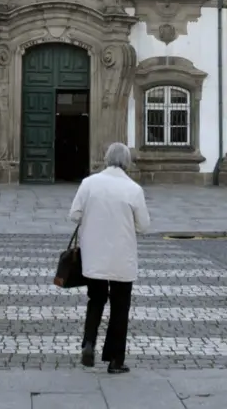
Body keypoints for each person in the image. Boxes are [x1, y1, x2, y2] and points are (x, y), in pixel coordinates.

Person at [67, 141, 151, 374]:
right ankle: (115, 360)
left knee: (96, 301)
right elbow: (144, 226)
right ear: (127, 162)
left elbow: (74, 215)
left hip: (94, 256)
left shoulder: (89, 183)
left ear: (106, 159)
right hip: (122, 258)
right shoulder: (133, 189)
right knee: (120, 307)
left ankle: (89, 342)